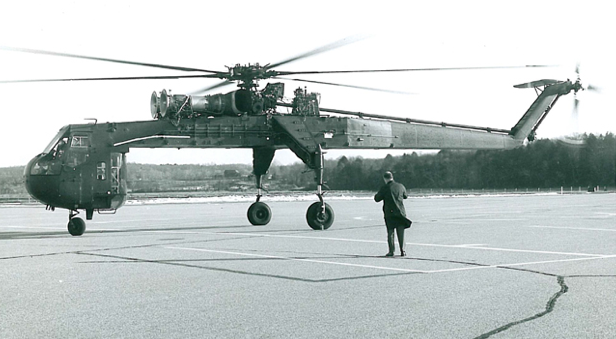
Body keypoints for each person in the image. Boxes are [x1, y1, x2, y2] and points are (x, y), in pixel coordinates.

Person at [374, 171, 412, 257]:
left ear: (385, 179)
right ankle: (403, 250)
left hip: (389, 213)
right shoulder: (401, 186)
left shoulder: (385, 187)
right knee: (401, 232)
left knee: (390, 232)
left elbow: (377, 199)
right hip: (400, 212)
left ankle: (391, 251)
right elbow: (405, 196)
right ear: (392, 177)